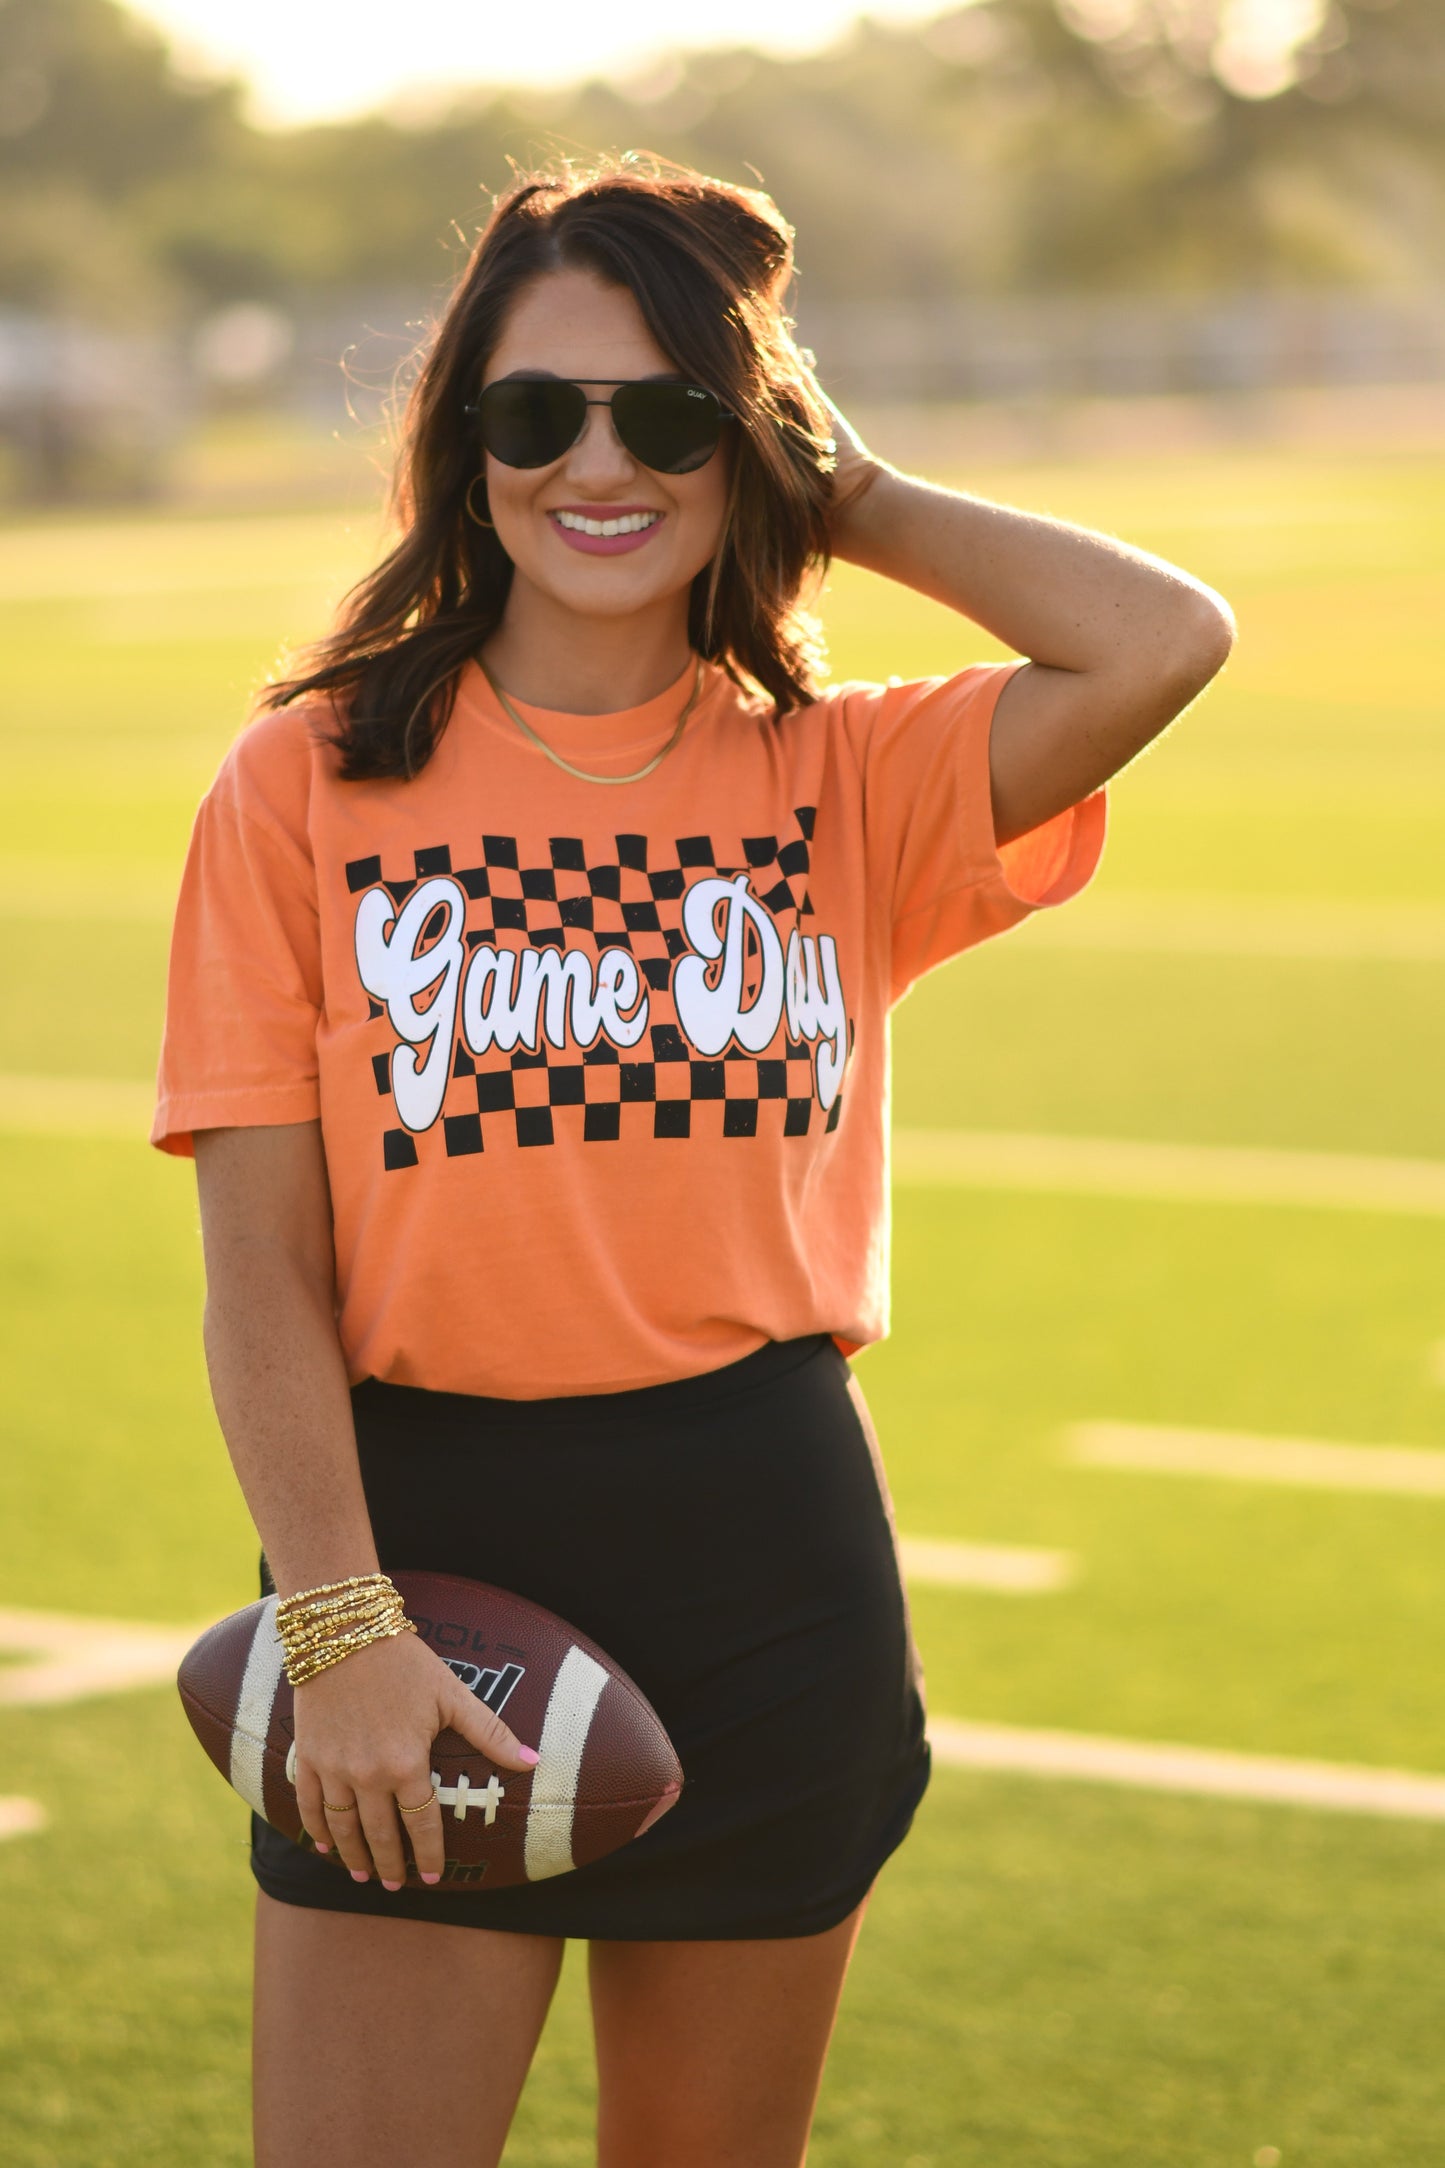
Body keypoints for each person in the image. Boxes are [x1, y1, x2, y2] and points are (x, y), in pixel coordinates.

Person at [151, 157, 1232, 2168]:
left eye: (667, 416)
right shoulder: (308, 780)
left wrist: (857, 488)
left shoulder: (843, 772)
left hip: (764, 1554)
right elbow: (259, 1272)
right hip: (421, 1561)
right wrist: (336, 1621)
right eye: (534, 412)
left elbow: (1163, 640)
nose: (596, 465)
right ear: (463, 441)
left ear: (751, 447)